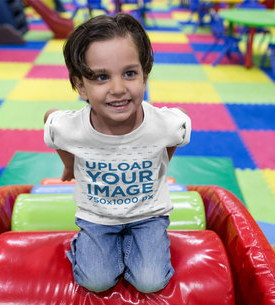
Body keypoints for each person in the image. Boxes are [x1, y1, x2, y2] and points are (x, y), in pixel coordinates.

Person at [44, 13, 191, 294]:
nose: (118, 89)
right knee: (95, 281)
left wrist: (163, 163)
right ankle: (82, 245)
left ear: (145, 75)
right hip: (97, 216)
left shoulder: (164, 124)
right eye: (101, 77)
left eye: (129, 73)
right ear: (80, 86)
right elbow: (52, 127)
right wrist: (69, 165)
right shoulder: (70, 128)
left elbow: (178, 127)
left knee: (151, 282)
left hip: (148, 214)